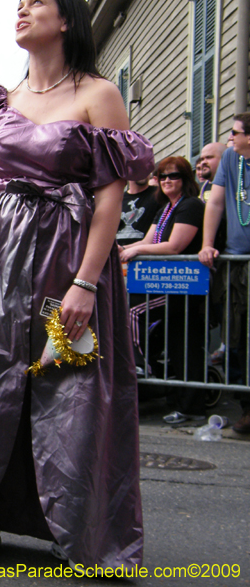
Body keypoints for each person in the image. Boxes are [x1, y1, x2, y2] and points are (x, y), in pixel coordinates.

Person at [0, 0, 154, 569]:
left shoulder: (100, 94)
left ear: (67, 19)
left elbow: (108, 201)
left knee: (72, 390)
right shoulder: (0, 101)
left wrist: (87, 283)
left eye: (37, 1)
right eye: (20, 1)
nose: (22, 9)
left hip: (68, 264)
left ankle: (82, 532)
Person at [120, 158, 207, 421]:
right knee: (175, 344)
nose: (168, 180)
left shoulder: (191, 205)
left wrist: (135, 250)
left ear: (186, 179)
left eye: (175, 176)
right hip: (163, 283)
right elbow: (149, 240)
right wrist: (123, 250)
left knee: (134, 313)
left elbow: (174, 246)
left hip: (185, 286)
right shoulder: (165, 208)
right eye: (163, 176)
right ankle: (175, 398)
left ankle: (138, 366)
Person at [198, 112, 250, 434]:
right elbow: (215, 203)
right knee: (236, 337)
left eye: (235, 133)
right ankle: (247, 409)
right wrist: (206, 244)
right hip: (236, 260)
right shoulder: (232, 159)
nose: (230, 138)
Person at [116, 173, 160, 246]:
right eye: (137, 167)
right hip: (120, 253)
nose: (142, 171)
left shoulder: (159, 195)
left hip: (147, 254)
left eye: (146, 167)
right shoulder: (117, 199)